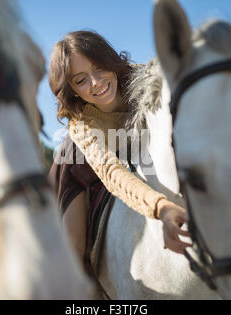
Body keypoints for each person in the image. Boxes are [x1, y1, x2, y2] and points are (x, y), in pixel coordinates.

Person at [48, 30, 190, 268]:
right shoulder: (81, 126)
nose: (96, 82)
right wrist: (161, 207)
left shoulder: (141, 76)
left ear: (109, 60)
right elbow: (114, 175)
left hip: (131, 149)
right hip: (81, 163)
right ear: (72, 89)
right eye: (81, 80)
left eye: (99, 67)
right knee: (73, 248)